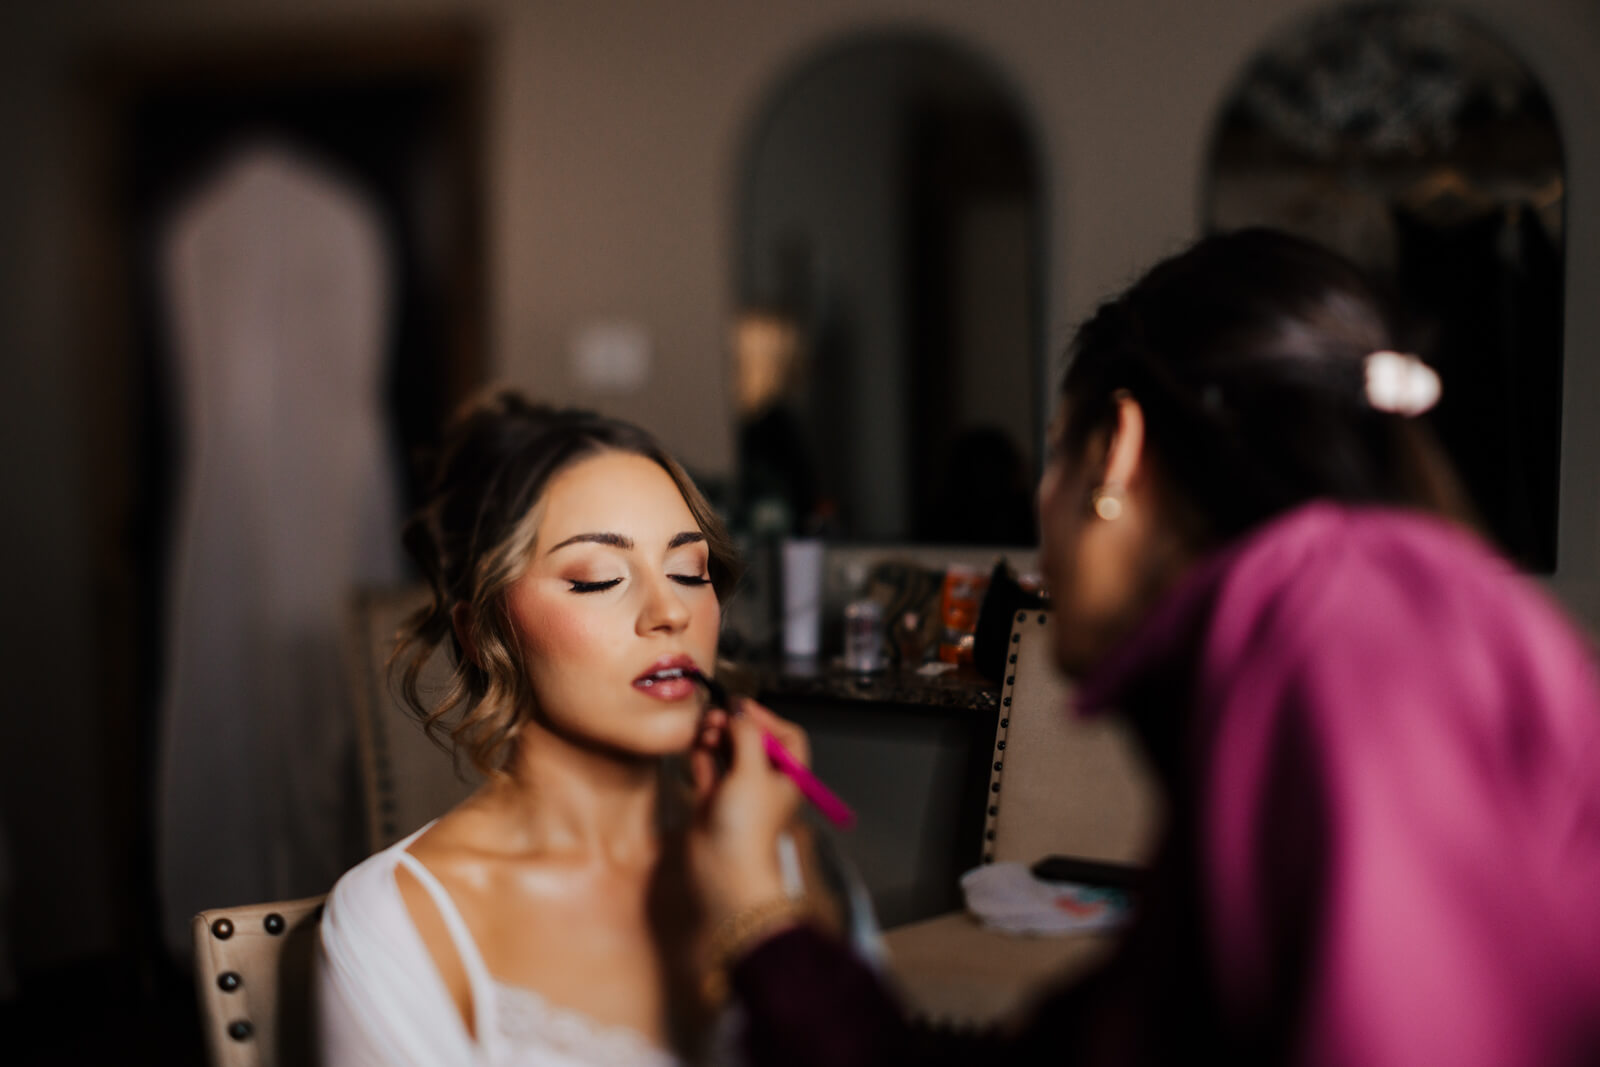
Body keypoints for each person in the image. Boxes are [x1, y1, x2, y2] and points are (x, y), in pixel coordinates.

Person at [683, 228, 1600, 1065]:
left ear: (1113, 453)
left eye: (1053, 455)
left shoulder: (1347, 655)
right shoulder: (1368, 626)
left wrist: (760, 920)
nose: (1038, 511)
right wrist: (775, 928)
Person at [315, 391, 870, 1066]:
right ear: (482, 629)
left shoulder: (774, 851)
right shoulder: (397, 923)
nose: (670, 610)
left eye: (690, 570)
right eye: (597, 578)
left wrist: (788, 876)